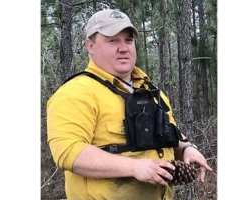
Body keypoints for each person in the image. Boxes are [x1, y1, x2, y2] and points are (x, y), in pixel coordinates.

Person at [47, 9, 212, 199]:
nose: (124, 48)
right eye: (113, 40)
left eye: (128, 40)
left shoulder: (152, 92)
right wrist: (134, 167)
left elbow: (169, 133)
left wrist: (186, 148)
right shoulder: (76, 93)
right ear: (90, 46)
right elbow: (69, 153)